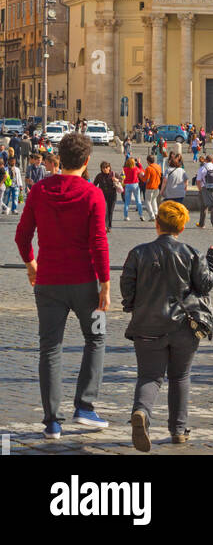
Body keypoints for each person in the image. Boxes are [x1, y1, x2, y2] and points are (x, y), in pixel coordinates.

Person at [14, 131, 110, 439]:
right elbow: (98, 242)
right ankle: (85, 406)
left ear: (61, 157)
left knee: (50, 349)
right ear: (86, 161)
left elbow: (22, 235)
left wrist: (31, 264)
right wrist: (105, 284)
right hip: (86, 283)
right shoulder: (93, 194)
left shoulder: (40, 190)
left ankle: (52, 422)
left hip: (49, 283)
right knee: (96, 339)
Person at [120, 200, 213, 451]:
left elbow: (127, 287)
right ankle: (178, 430)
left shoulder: (138, 253)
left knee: (149, 376)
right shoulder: (190, 253)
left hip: (147, 325)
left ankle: (142, 412)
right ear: (182, 227)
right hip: (183, 327)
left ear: (157, 224)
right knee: (180, 376)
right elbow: (205, 284)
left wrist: (133, 305)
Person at [196, 154, 213, 230]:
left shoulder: (202, 168)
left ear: (205, 160)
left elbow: (198, 181)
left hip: (204, 188)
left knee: (203, 207)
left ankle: (202, 224)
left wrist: (200, 190)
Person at [94, 161, 119, 231]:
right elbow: (94, 185)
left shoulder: (113, 174)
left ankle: (109, 226)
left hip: (112, 196)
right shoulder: (99, 176)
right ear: (101, 169)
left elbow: (122, 180)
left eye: (106, 167)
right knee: (104, 211)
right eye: (103, 168)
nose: (105, 169)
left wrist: (117, 180)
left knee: (110, 211)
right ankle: (104, 226)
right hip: (103, 196)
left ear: (109, 167)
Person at [122, 155, 146, 222]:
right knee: (138, 201)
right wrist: (139, 163)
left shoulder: (125, 169)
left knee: (127, 202)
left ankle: (126, 216)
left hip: (127, 185)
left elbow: (122, 176)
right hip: (135, 184)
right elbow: (141, 171)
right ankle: (141, 215)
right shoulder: (135, 169)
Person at [141, 154, 162, 222]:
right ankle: (156, 213)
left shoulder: (148, 168)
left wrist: (141, 175)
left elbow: (145, 179)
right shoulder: (158, 167)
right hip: (157, 186)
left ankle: (152, 216)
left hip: (150, 187)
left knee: (147, 202)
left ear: (147, 161)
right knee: (153, 200)